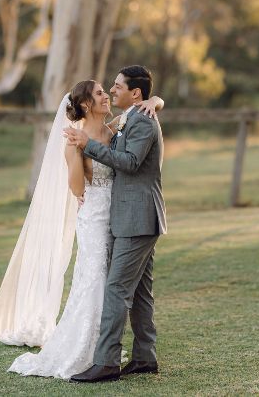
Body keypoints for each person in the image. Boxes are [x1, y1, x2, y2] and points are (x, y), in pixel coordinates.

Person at [0, 77, 163, 380]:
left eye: (110, 90)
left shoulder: (115, 128)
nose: (107, 95)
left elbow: (146, 108)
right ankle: (92, 350)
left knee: (123, 284)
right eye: (99, 93)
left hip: (124, 215)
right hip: (96, 215)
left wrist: (154, 100)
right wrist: (80, 166)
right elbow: (76, 186)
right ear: (85, 104)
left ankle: (117, 353)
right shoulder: (75, 139)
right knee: (96, 279)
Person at [64, 65, 167, 383]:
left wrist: (88, 145)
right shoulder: (133, 118)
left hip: (137, 218)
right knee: (140, 292)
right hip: (132, 216)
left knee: (117, 288)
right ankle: (144, 358)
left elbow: (131, 163)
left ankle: (107, 361)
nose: (112, 90)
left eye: (117, 86)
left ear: (135, 93)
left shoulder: (142, 122)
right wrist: (157, 100)